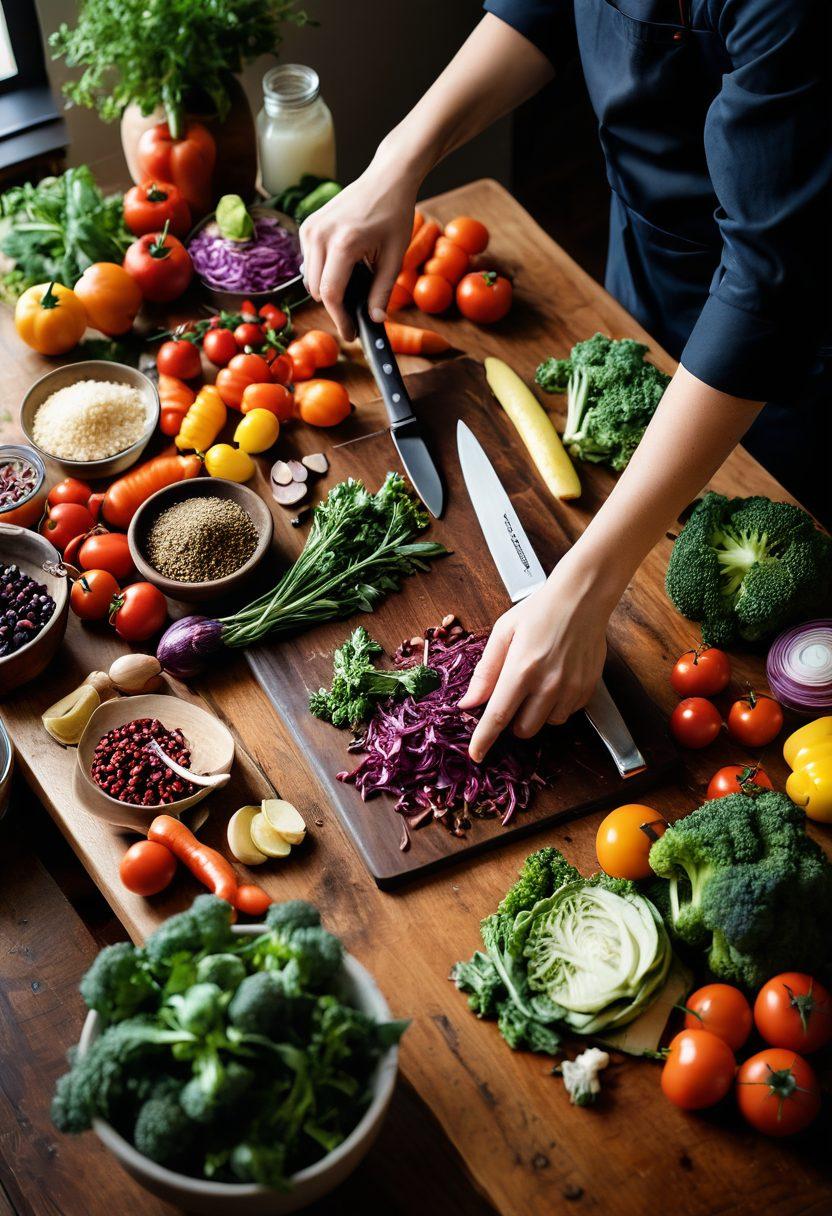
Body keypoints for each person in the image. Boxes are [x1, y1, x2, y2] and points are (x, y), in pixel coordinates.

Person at [299, 2, 831, 764]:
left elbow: (769, 292)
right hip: (651, 250)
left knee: (758, 585)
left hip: (792, 337)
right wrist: (396, 162)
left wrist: (582, 588)